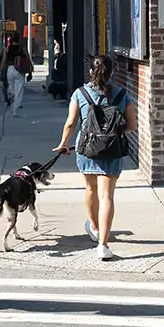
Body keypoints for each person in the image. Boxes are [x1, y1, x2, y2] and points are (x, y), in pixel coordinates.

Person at [57, 53, 135, 262]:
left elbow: (71, 123)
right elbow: (131, 125)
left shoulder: (80, 93)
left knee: (90, 189)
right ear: (111, 73)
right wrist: (113, 133)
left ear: (91, 71)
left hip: (87, 148)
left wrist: (64, 143)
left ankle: (95, 227)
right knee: (107, 196)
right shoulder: (122, 94)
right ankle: (103, 245)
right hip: (112, 150)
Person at [6, 44, 32, 116]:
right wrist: (30, 71)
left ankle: (11, 103)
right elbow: (27, 58)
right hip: (19, 70)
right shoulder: (22, 47)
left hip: (10, 69)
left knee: (11, 89)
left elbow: (4, 60)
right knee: (19, 90)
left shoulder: (8, 48)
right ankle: (15, 108)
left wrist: (1, 70)